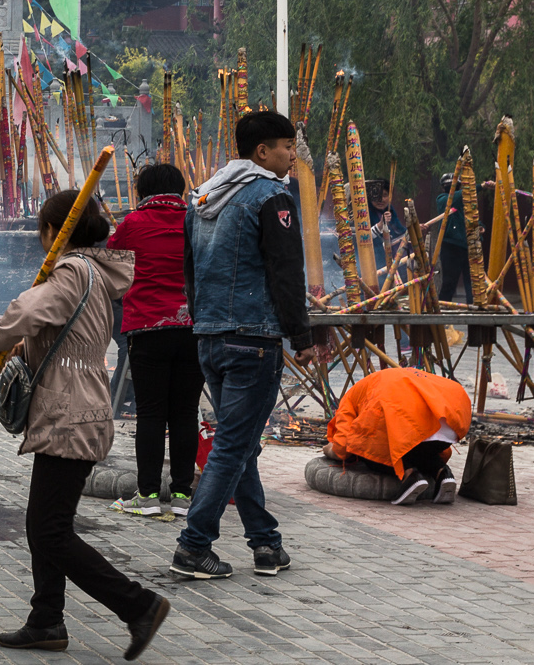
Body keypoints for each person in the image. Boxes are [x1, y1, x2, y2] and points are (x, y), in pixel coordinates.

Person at [0, 189, 170, 660]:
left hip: (70, 413)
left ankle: (138, 605)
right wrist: (18, 347)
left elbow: (27, 312)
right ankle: (45, 620)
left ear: (53, 231)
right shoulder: (93, 271)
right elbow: (53, 330)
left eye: (42, 230)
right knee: (43, 524)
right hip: (74, 407)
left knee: (50, 530)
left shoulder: (72, 270)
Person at [174, 109, 318, 580]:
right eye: (287, 147)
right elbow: (286, 271)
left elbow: (190, 272)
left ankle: (265, 542)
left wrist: (204, 321)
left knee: (241, 442)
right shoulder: (271, 197)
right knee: (234, 445)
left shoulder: (204, 197)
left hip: (210, 336)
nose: (292, 155)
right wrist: (301, 335)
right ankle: (194, 545)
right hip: (253, 339)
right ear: (262, 151)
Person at [107, 162, 198, 520]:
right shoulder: (196, 220)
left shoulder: (132, 224)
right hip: (193, 328)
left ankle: (146, 495)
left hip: (147, 329)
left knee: (150, 413)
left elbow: (111, 264)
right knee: (185, 412)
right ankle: (182, 495)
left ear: (143, 191)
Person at [322, 366, 471, 504]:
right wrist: (435, 461)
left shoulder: (349, 398)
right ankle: (443, 473)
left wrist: (329, 449)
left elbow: (342, 447)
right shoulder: (381, 381)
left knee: (366, 448)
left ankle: (410, 475)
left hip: (415, 420)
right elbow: (440, 451)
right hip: (452, 419)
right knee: (417, 449)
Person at [433, 174, 472, 304]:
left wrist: (481, 226)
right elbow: (455, 197)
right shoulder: (443, 199)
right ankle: (444, 307)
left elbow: (473, 219)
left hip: (468, 246)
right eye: (449, 186)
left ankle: (474, 307)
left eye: (455, 186)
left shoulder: (465, 205)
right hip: (450, 246)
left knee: (472, 282)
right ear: (443, 188)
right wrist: (480, 186)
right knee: (449, 281)